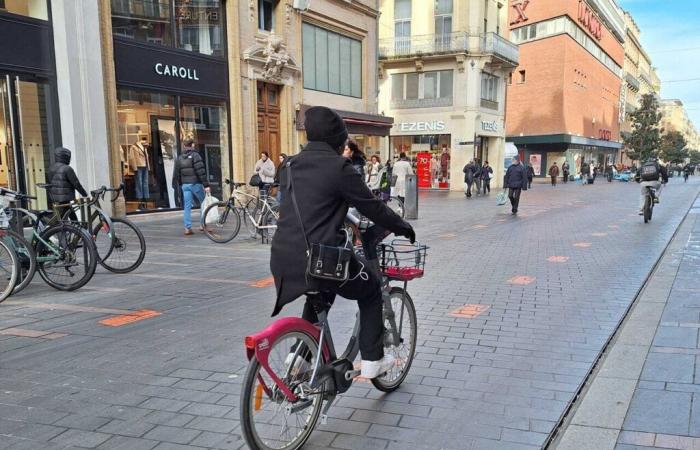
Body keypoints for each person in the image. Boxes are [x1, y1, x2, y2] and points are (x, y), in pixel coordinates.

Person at [271, 106, 415, 378]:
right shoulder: (339, 168)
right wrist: (403, 226)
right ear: (337, 138)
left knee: (320, 294)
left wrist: (342, 217)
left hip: (283, 258)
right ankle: (373, 361)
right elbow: (373, 207)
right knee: (371, 287)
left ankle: (297, 361)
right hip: (322, 258)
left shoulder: (288, 165)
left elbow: (311, 203)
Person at [172, 139, 210, 235]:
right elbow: (200, 171)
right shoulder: (195, 155)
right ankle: (203, 225)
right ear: (192, 145)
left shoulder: (179, 158)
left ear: (184, 146)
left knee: (187, 206)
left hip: (185, 185)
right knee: (204, 203)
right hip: (195, 184)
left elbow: (177, 173)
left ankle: (187, 228)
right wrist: (206, 185)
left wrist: (181, 184)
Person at [47, 147, 88, 220]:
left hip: (56, 198)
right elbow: (76, 184)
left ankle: (76, 228)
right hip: (64, 198)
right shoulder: (67, 168)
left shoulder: (51, 168)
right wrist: (85, 194)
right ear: (65, 157)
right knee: (60, 219)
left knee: (70, 215)